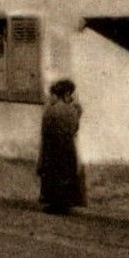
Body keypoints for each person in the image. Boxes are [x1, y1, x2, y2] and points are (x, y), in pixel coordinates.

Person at [38, 78, 85, 213]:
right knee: (66, 174)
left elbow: (44, 129)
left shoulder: (49, 111)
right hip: (67, 147)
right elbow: (75, 128)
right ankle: (65, 204)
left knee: (52, 174)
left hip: (51, 147)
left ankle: (53, 203)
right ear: (67, 94)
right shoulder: (72, 110)